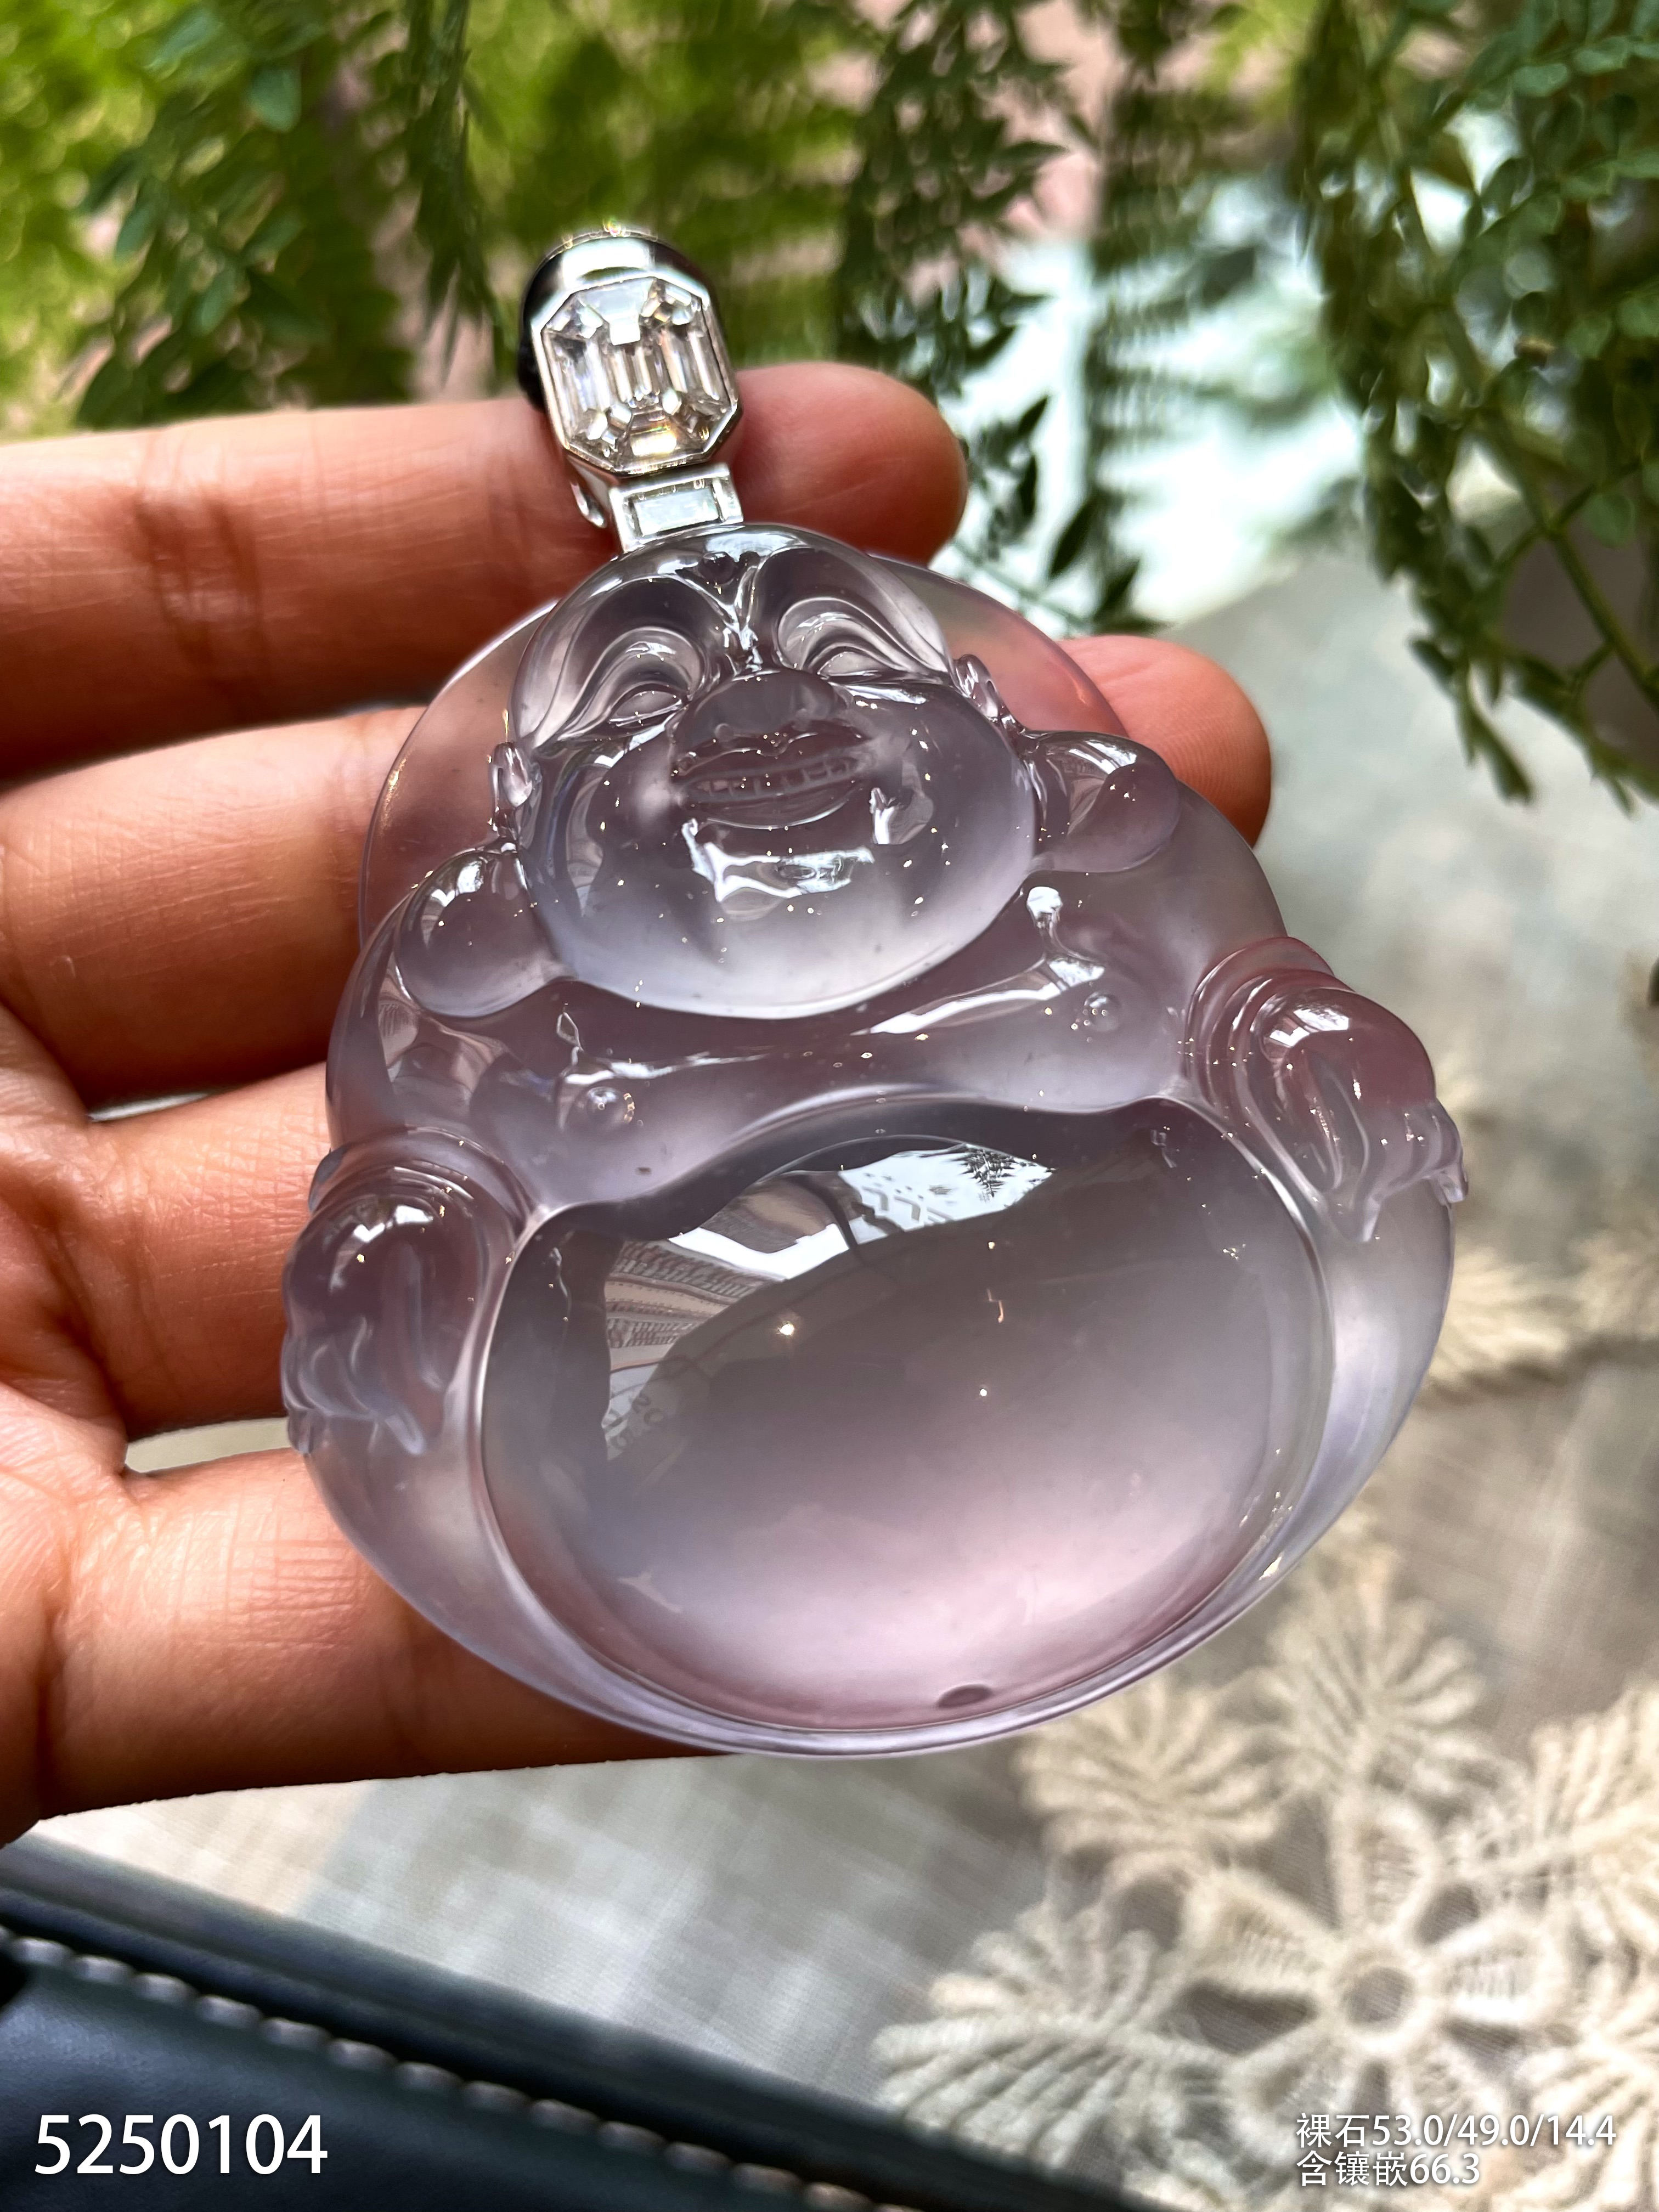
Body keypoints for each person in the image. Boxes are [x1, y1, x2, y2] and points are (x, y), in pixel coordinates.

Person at [0, 364, 1271, 1844]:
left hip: (1156, 1345)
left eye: (843, 658)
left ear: (987, 717)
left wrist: (1279, 1033)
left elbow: (1231, 994)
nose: (769, 708)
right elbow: (428, 1170)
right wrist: (402, 1238)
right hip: (679, 1464)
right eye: (647, 698)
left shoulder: (1077, 929)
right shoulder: (507, 1034)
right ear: (524, 812)